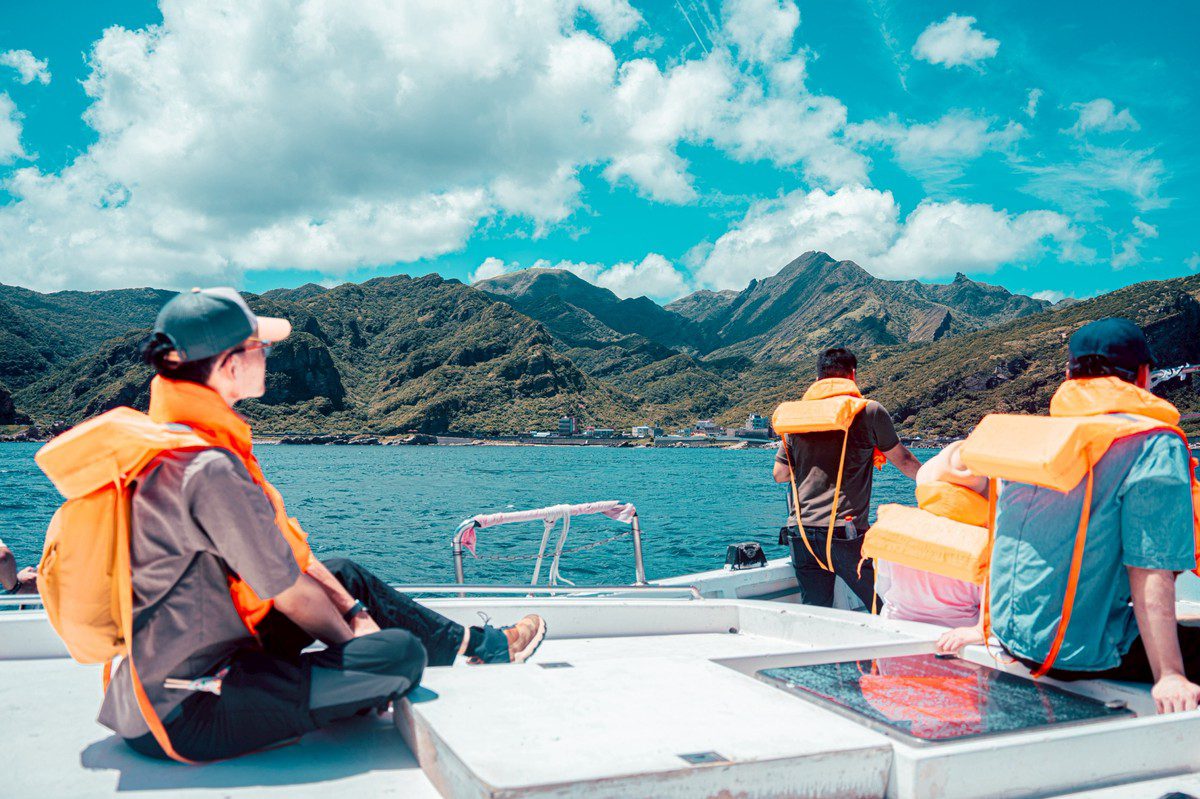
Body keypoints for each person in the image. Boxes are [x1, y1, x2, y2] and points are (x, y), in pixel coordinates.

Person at [101, 287, 546, 761]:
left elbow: (290, 562)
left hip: (210, 653)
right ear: (229, 363)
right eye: (261, 348)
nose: (268, 356)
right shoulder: (204, 468)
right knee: (398, 657)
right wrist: (359, 641)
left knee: (343, 573)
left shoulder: (180, 442)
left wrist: (354, 610)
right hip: (184, 710)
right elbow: (287, 590)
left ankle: (482, 644)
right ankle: (383, 674)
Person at [937, 318, 1200, 715]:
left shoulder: (1037, 441)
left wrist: (983, 628)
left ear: (1067, 376)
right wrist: (1170, 674)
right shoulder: (1151, 443)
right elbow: (1151, 567)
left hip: (1011, 639)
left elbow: (1005, 540)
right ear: (1144, 376)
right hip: (1077, 652)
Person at [773, 347, 921, 608]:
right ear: (852, 375)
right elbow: (905, 461)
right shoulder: (868, 411)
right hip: (844, 534)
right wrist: (941, 484)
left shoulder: (796, 419)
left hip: (800, 533)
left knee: (816, 612)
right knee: (886, 606)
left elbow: (780, 475)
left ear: (817, 378)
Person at [873, 441, 986, 627]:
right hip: (956, 644)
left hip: (895, 637)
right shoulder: (981, 545)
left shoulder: (897, 531)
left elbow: (882, 588)